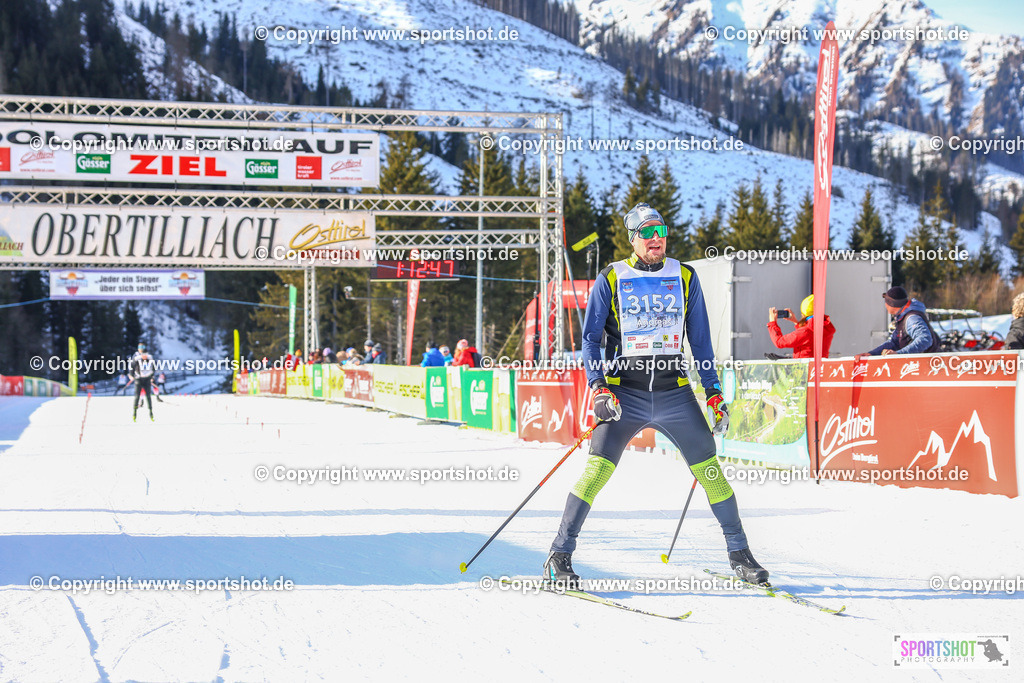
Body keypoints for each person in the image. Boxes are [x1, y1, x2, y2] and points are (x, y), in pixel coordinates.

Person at [545, 202, 768, 587]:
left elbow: (699, 341)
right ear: (633, 238)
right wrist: (598, 388)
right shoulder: (612, 276)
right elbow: (590, 339)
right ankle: (559, 555)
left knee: (711, 472)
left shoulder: (684, 275)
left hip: (674, 394)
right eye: (647, 232)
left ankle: (740, 554)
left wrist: (713, 392)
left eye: (661, 231)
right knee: (596, 473)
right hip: (624, 393)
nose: (656, 239)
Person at [867, 286, 939, 355]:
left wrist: (899, 354)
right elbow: (894, 342)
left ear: (891, 304)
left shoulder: (911, 318)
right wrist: (871, 354)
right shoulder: (902, 317)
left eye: (886, 302)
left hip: (928, 364)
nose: (885, 305)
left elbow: (925, 340)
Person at [767, 295, 836, 358]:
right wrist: (796, 323)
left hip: (804, 369)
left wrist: (772, 323)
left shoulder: (805, 331)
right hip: (819, 369)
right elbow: (809, 338)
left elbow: (779, 342)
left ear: (804, 313)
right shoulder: (826, 327)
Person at [130, 344, 157, 421]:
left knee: (148, 396)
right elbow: (131, 368)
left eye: (145, 355)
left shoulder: (150, 358)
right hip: (138, 379)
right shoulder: (136, 358)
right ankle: (134, 413)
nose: (144, 356)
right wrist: (132, 376)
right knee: (137, 396)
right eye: (143, 355)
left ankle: (151, 412)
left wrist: (152, 377)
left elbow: (154, 368)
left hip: (147, 379)